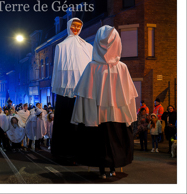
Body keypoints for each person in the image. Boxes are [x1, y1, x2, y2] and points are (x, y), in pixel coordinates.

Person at [71, 25, 137, 179]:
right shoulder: (99, 67)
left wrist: (82, 116)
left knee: (101, 143)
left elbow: (83, 97)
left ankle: (108, 168)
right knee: (107, 143)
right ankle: (105, 169)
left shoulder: (103, 67)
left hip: (102, 116)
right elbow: (128, 98)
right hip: (109, 116)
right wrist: (129, 116)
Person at [51, 17, 93, 159]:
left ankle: (82, 151)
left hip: (82, 92)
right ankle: (65, 152)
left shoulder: (88, 47)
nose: (75, 29)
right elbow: (57, 70)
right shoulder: (61, 46)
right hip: (66, 93)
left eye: (78, 26)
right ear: (69, 26)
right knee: (66, 123)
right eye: (73, 26)